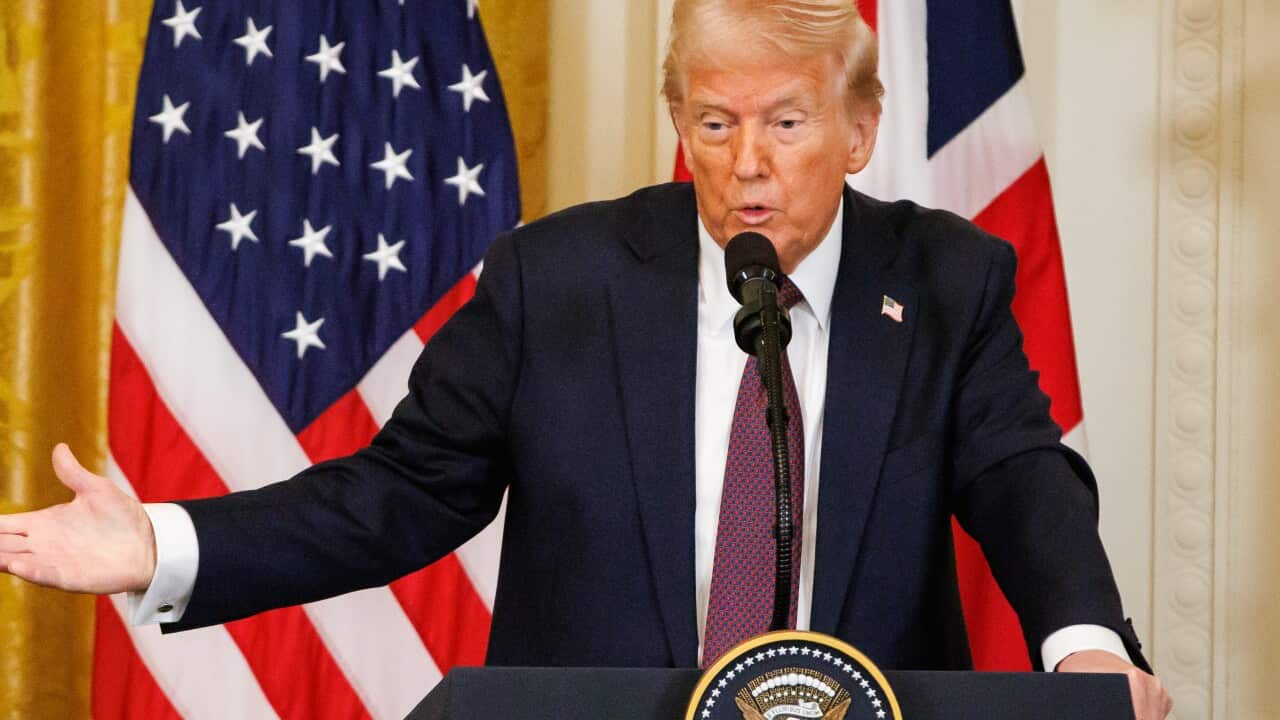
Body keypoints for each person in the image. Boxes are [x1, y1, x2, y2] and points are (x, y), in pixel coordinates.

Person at [0, 1, 1170, 717]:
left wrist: (1082, 649)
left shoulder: (942, 280)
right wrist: (164, 541)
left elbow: (1024, 479)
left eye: (786, 121)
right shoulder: (553, 281)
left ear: (859, 127)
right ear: (679, 123)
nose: (746, 162)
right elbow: (395, 496)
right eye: (713, 123)